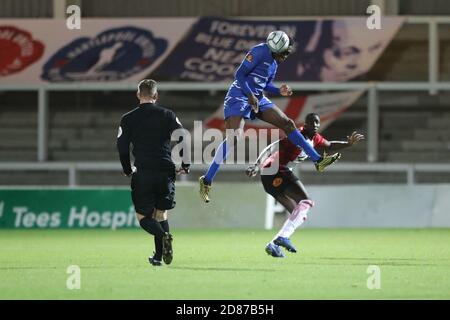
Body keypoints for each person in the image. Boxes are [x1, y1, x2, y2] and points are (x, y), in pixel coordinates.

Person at [199, 30, 341, 203]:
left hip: (257, 96)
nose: (287, 55)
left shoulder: (274, 62)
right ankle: (206, 180)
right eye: (285, 52)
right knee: (233, 138)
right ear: (276, 49)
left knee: (288, 123)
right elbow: (239, 75)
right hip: (239, 95)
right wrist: (250, 95)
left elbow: (265, 84)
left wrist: (278, 90)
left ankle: (317, 160)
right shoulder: (258, 51)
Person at [246, 113, 364, 258]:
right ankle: (281, 238)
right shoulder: (296, 135)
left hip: (272, 176)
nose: (315, 125)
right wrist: (256, 164)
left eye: (317, 123)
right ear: (305, 124)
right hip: (275, 170)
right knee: (306, 202)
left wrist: (348, 144)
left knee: (299, 213)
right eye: (312, 122)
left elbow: (330, 145)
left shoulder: (315, 139)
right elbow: (273, 146)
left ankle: (273, 244)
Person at [117, 79, 190, 266]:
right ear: (156, 96)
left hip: (144, 172)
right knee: (160, 215)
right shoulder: (167, 115)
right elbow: (183, 137)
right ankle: (158, 256)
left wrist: (127, 169)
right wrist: (186, 163)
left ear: (138, 95)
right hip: (165, 171)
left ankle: (164, 236)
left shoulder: (128, 118)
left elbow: (122, 147)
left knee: (144, 217)